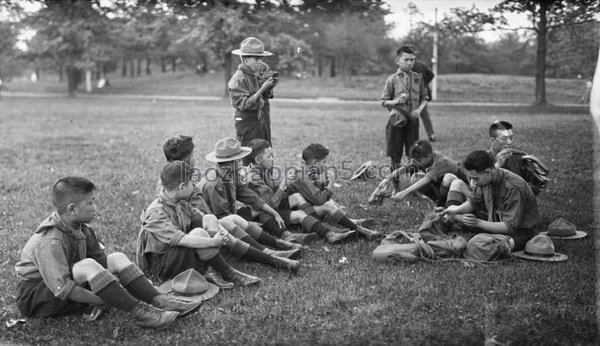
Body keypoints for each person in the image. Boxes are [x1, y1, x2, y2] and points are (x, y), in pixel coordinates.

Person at [15, 177, 202, 329]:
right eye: (90, 203)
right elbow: (61, 288)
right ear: (72, 209)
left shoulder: (81, 229)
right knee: (86, 266)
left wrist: (113, 290)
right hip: (38, 295)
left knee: (116, 258)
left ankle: (160, 300)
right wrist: (103, 300)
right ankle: (140, 313)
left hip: (66, 283)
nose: (95, 207)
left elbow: (100, 264)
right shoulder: (51, 240)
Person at [138, 161, 279, 291]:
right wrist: (215, 241)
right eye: (191, 184)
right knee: (198, 233)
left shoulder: (179, 202)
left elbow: (204, 218)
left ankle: (214, 268)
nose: (194, 187)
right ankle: (228, 272)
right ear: (181, 187)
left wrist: (221, 232)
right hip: (159, 265)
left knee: (210, 219)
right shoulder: (156, 212)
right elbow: (181, 239)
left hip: (179, 254)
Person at [199, 137, 302, 252]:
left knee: (258, 211)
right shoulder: (214, 185)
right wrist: (247, 225)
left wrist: (275, 213)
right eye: (238, 160)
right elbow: (223, 218)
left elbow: (251, 198)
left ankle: (280, 241)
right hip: (210, 226)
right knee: (247, 227)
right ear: (230, 163)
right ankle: (274, 247)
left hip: (229, 215)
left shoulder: (232, 174)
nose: (242, 163)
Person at [245, 139, 355, 244]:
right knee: (299, 213)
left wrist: (290, 187)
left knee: (296, 196)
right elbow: (271, 204)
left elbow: (272, 193)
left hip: (270, 205)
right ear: (258, 160)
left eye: (272, 155)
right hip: (263, 213)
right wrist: (283, 185)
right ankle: (328, 234)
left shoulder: (261, 170)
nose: (272, 159)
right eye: (269, 156)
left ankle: (323, 225)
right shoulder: (254, 178)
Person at [441, 150, 540, 260]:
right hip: (493, 222)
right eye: (471, 178)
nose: (473, 182)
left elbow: (509, 227)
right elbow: (473, 202)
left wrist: (478, 223)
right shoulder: (486, 180)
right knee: (439, 219)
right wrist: (456, 210)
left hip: (520, 232)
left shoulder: (513, 187)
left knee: (481, 246)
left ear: (488, 172)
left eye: (475, 178)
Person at [287, 143, 381, 241]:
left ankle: (350, 222)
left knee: (330, 202)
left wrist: (324, 182)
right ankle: (361, 230)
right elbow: (319, 200)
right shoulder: (302, 176)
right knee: (328, 205)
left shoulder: (308, 171)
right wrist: (331, 183)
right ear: (315, 163)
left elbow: (317, 192)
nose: (325, 165)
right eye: (324, 162)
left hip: (307, 209)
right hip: (299, 215)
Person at [446, 120, 548, 204]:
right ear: (492, 141)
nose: (509, 142)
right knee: (456, 183)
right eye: (504, 139)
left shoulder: (520, 158)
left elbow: (532, 191)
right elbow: (475, 186)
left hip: (511, 205)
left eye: (511, 138)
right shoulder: (483, 158)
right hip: (485, 200)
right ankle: (451, 217)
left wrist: (536, 182)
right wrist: (497, 165)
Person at [381, 45, 428, 190]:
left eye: (412, 60)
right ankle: (396, 187)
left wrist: (419, 110)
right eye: (406, 59)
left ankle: (414, 187)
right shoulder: (392, 80)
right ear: (397, 61)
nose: (410, 63)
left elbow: (424, 98)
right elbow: (383, 101)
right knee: (395, 156)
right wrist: (395, 102)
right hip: (397, 122)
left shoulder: (418, 78)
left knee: (414, 155)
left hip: (413, 122)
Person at [228, 36, 278, 164]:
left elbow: (265, 96)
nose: (260, 62)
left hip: (262, 119)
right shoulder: (238, 79)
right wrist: (262, 89)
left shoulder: (258, 74)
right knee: (248, 153)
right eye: (256, 59)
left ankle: (266, 181)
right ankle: (248, 182)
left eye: (261, 58)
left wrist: (270, 85)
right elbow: (243, 104)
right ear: (245, 59)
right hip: (247, 122)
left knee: (265, 150)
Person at [390, 140, 467, 207]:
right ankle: (438, 201)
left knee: (447, 178)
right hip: (441, 185)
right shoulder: (425, 157)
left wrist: (404, 193)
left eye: (419, 161)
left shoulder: (440, 161)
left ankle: (443, 205)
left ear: (429, 157)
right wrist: (386, 180)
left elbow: (426, 179)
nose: (417, 163)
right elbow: (406, 167)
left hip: (457, 188)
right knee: (415, 178)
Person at [411, 58, 436, 141]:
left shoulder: (407, 65)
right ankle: (431, 134)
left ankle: (410, 136)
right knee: (425, 116)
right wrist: (425, 83)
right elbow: (431, 74)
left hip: (414, 94)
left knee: (410, 116)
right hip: (422, 93)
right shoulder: (421, 64)